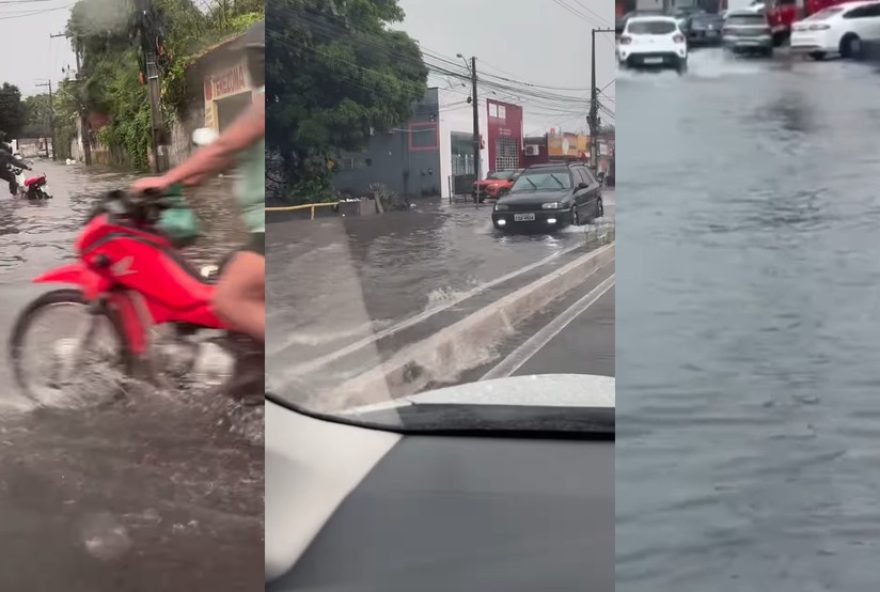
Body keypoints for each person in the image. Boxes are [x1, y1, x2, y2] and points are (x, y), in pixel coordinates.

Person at [130, 22, 265, 343]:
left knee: (227, 300)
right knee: (212, 279)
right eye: (250, 57)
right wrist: (177, 186)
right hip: (261, 231)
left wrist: (165, 180)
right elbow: (217, 160)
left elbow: (224, 146)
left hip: (270, 232)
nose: (251, 65)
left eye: (257, 57)